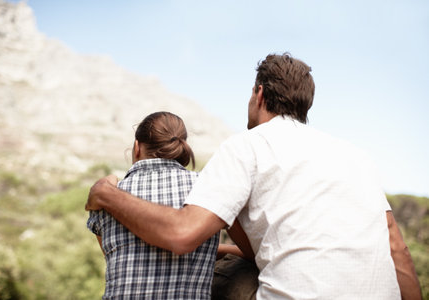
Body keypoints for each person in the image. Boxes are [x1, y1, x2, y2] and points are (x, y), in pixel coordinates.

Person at [86, 53, 421, 299]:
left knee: (230, 275)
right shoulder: (356, 156)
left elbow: (182, 234)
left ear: (259, 94)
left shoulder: (246, 147)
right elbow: (398, 251)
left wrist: (108, 193)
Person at [86, 111, 219, 299]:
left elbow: (115, 254)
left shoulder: (106, 197)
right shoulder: (208, 187)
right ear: (181, 146)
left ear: (137, 147)